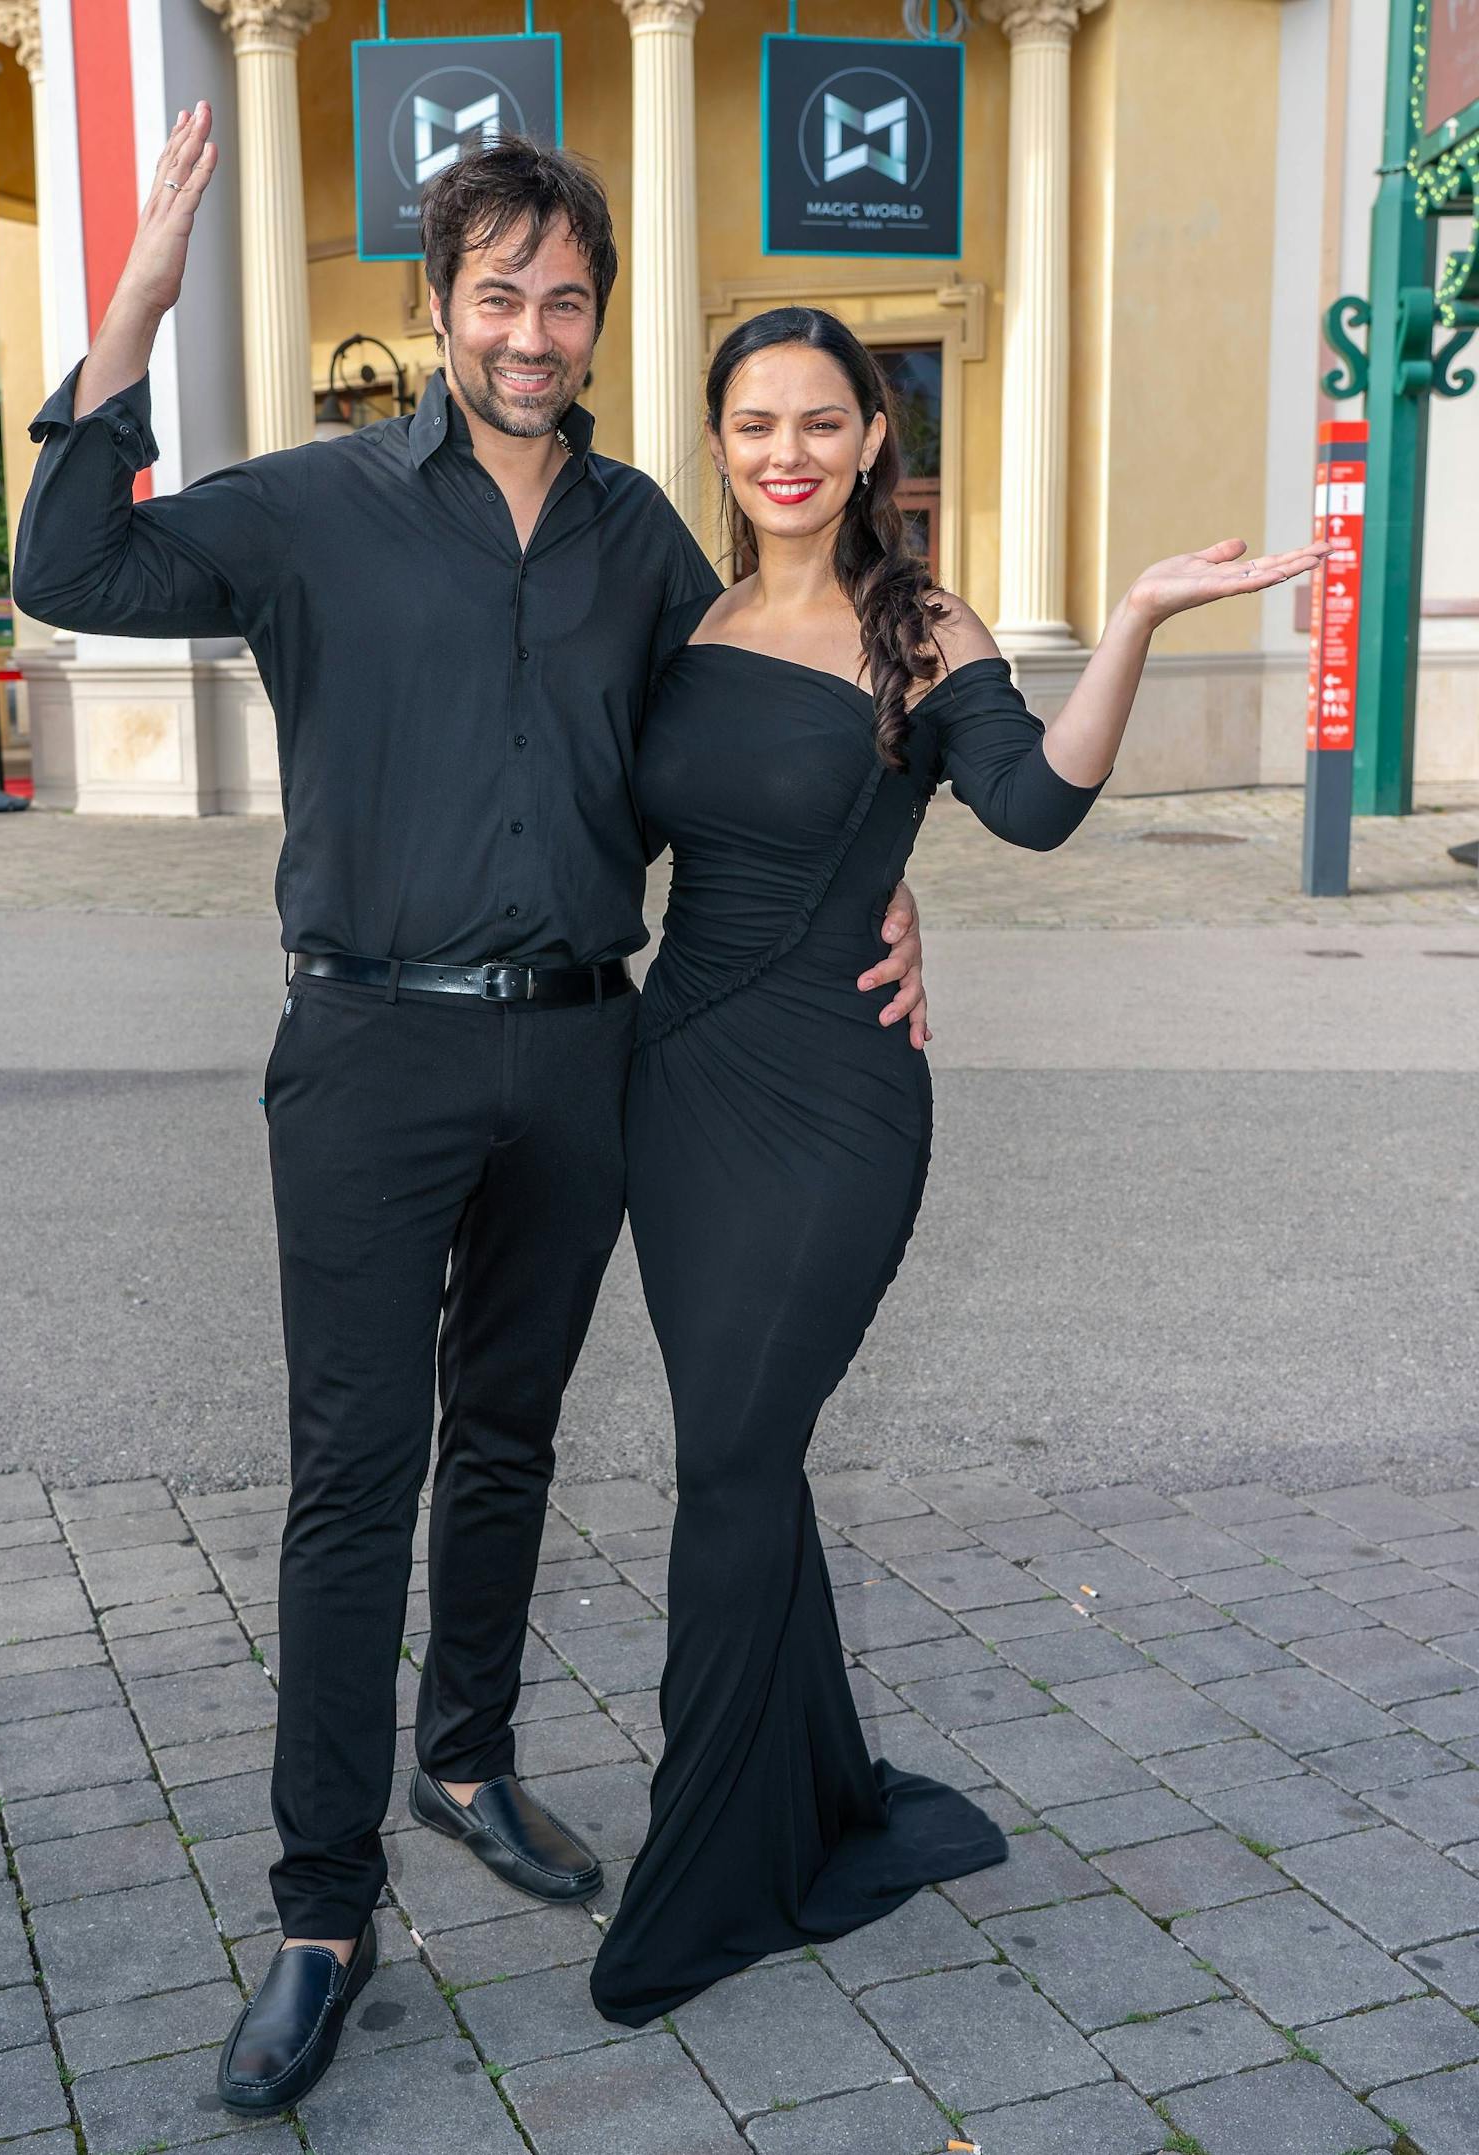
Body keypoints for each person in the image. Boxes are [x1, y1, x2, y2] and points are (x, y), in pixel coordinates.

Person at [9, 117, 929, 2113]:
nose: (532, 329)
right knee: (358, 1474)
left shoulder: (639, 539)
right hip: (369, 1051)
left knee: (507, 1427)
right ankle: (322, 1911)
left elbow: (771, 716)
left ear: (597, 323)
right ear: (435, 309)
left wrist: (886, 879)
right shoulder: (313, 507)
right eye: (497, 292)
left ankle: (469, 1761)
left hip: (586, 1052)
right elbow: (63, 561)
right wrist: (140, 305)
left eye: (565, 297)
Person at [586, 306, 1335, 2025]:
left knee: (730, 1467)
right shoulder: (683, 616)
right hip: (678, 1080)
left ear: (870, 441)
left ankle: (702, 1877)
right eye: (756, 423)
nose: (788, 452)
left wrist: (1134, 617)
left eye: (822, 423)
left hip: (839, 1098)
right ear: (719, 440)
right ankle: (806, 1798)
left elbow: (1036, 805)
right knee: (740, 1459)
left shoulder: (914, 626)